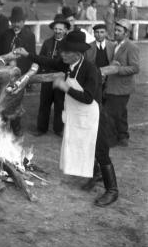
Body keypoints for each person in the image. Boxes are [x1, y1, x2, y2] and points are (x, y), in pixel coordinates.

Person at [18, 30, 119, 207]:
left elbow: (88, 98)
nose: (61, 54)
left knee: (101, 152)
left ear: (77, 54)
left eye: (66, 52)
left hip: (94, 117)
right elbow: (49, 61)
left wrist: (65, 87)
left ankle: (112, 190)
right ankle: (96, 175)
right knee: (87, 147)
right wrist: (28, 55)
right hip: (79, 115)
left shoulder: (91, 70)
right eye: (62, 51)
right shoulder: (67, 64)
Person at [103, 19, 139, 147]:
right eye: (115, 30)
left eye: (119, 31)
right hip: (112, 85)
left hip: (122, 87)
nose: (116, 32)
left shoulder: (131, 47)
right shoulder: (114, 45)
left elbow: (135, 68)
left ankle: (111, 140)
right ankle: (123, 136)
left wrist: (118, 69)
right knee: (121, 113)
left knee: (110, 113)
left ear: (126, 33)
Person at [34, 14, 70, 137]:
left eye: (60, 29)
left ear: (65, 30)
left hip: (61, 79)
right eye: (55, 29)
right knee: (44, 103)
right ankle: (41, 128)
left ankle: (58, 129)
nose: (57, 31)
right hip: (47, 78)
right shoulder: (47, 42)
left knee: (60, 104)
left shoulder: (68, 44)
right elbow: (41, 58)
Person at [0, 6, 36, 74]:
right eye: (13, 22)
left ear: (23, 22)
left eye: (18, 22)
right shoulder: (5, 34)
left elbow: (32, 56)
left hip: (22, 72)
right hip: (5, 71)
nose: (16, 24)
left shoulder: (30, 36)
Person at [86, 24, 115, 102]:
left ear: (106, 33)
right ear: (94, 33)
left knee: (108, 100)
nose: (99, 35)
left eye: (102, 32)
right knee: (95, 99)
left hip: (109, 77)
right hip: (94, 77)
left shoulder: (112, 46)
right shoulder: (88, 47)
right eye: (97, 32)